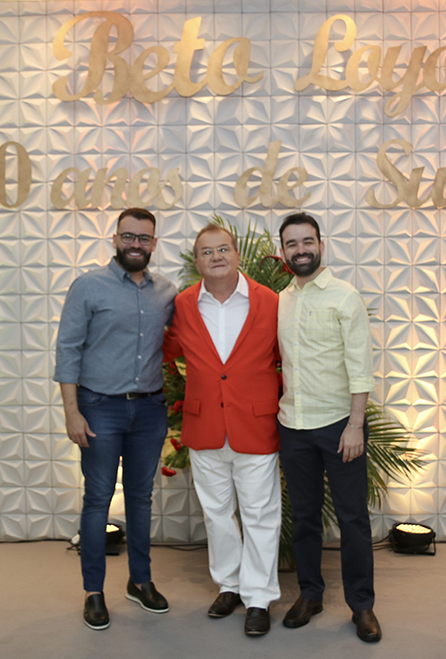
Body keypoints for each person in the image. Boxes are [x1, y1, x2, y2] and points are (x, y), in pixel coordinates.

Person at [54, 208, 177, 630]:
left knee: (141, 499)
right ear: (115, 239)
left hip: (149, 410)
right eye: (128, 236)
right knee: (98, 499)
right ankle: (94, 591)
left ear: (154, 243)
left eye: (144, 238)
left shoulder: (167, 292)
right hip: (98, 408)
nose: (135, 244)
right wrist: (72, 412)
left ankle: (139, 582)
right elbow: (67, 350)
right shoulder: (88, 286)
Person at [163, 223, 281, 637]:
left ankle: (259, 597)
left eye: (223, 249)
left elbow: (289, 357)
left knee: (260, 515)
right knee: (216, 515)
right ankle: (229, 586)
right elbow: (163, 351)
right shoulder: (182, 305)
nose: (216, 257)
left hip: (256, 425)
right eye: (206, 251)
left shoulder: (270, 302)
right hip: (205, 425)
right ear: (196, 262)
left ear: (237, 255)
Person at [276, 212, 381, 643]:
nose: (300, 250)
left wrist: (356, 424)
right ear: (283, 251)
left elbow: (360, 366)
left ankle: (362, 605)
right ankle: (311, 594)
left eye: (307, 241)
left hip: (340, 426)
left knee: (352, 517)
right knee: (304, 517)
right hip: (292, 424)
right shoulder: (281, 300)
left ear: (321, 245)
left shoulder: (344, 296)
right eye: (292, 243)